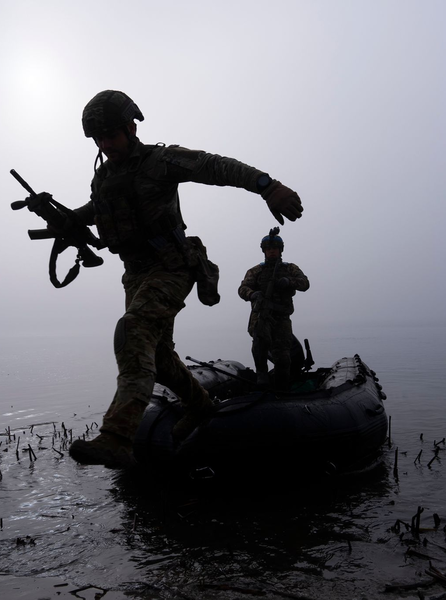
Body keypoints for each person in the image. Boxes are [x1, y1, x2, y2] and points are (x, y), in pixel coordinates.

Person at [59, 90, 303, 468]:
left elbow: (214, 166)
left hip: (172, 265)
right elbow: (101, 209)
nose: (105, 145)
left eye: (110, 135)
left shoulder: (162, 160)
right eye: (98, 139)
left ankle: (117, 437)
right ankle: (199, 405)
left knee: (134, 329)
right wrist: (71, 217)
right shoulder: (105, 176)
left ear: (130, 126)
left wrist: (267, 186)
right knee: (158, 355)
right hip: (135, 273)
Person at [238, 228, 309, 391]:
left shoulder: (290, 268)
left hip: (282, 318)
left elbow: (305, 283)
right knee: (260, 344)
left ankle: (282, 389)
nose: (271, 252)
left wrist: (289, 282)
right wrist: (252, 294)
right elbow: (242, 288)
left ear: (280, 250)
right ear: (264, 251)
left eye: (274, 249)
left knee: (283, 357)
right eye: (268, 249)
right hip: (262, 315)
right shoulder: (256, 271)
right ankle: (261, 374)